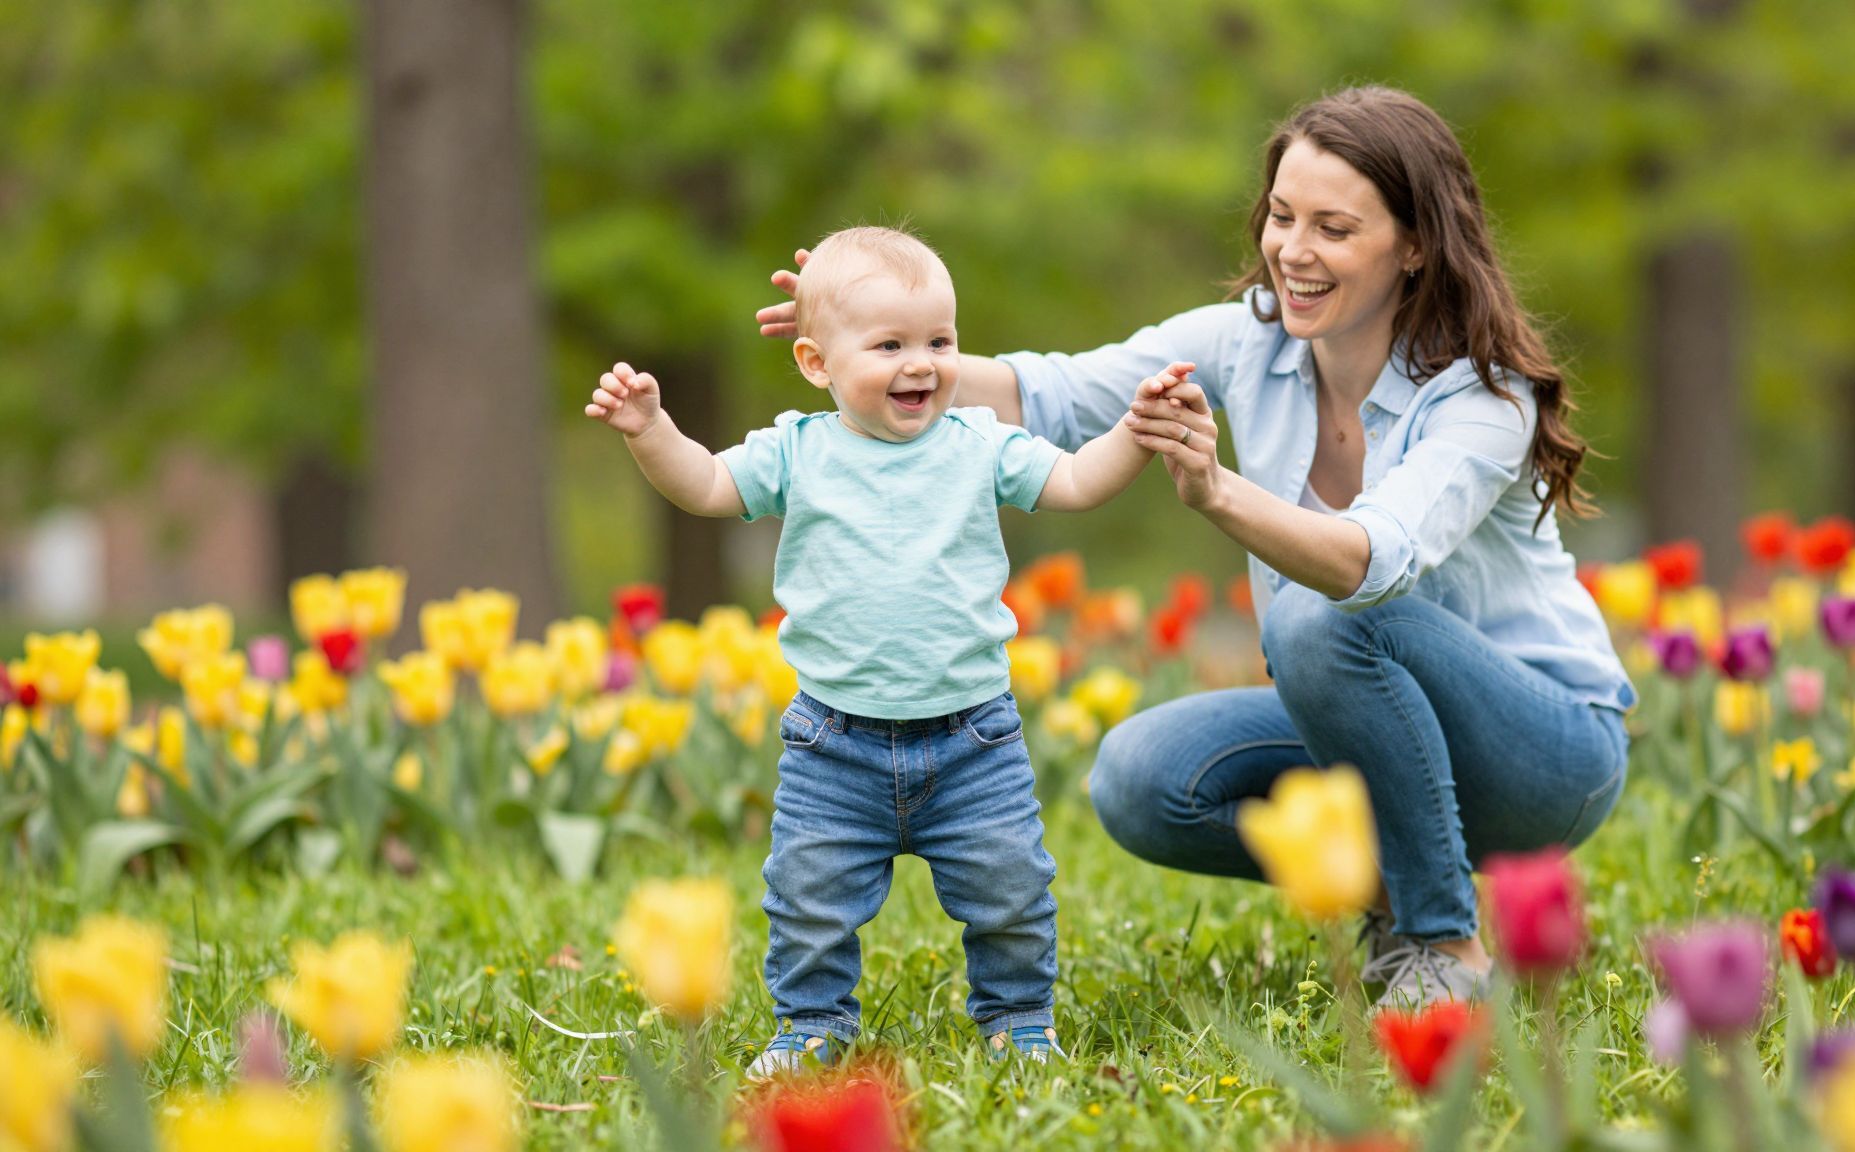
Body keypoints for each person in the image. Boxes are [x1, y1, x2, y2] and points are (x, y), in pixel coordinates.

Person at [755, 88, 1635, 1008]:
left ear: (1415, 245)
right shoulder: (1247, 341)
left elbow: (1367, 563)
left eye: (1334, 228)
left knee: (1320, 619)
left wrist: (1218, 492)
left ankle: (1441, 946)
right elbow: (1052, 395)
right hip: (1381, 730)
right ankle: (1403, 890)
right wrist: (868, 336)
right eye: (1283, 217)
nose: (1294, 250)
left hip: (1543, 754)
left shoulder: (1478, 399)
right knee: (1142, 780)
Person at [589, 225, 1175, 1075]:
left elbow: (1080, 481)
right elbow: (708, 485)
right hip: (835, 741)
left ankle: (1017, 1017)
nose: (923, 363)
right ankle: (811, 1023)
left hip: (974, 738)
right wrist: (650, 431)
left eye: (941, 340)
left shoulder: (981, 442)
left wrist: (1136, 428)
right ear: (817, 365)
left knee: (1012, 889)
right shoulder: (799, 449)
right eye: (891, 344)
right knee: (807, 900)